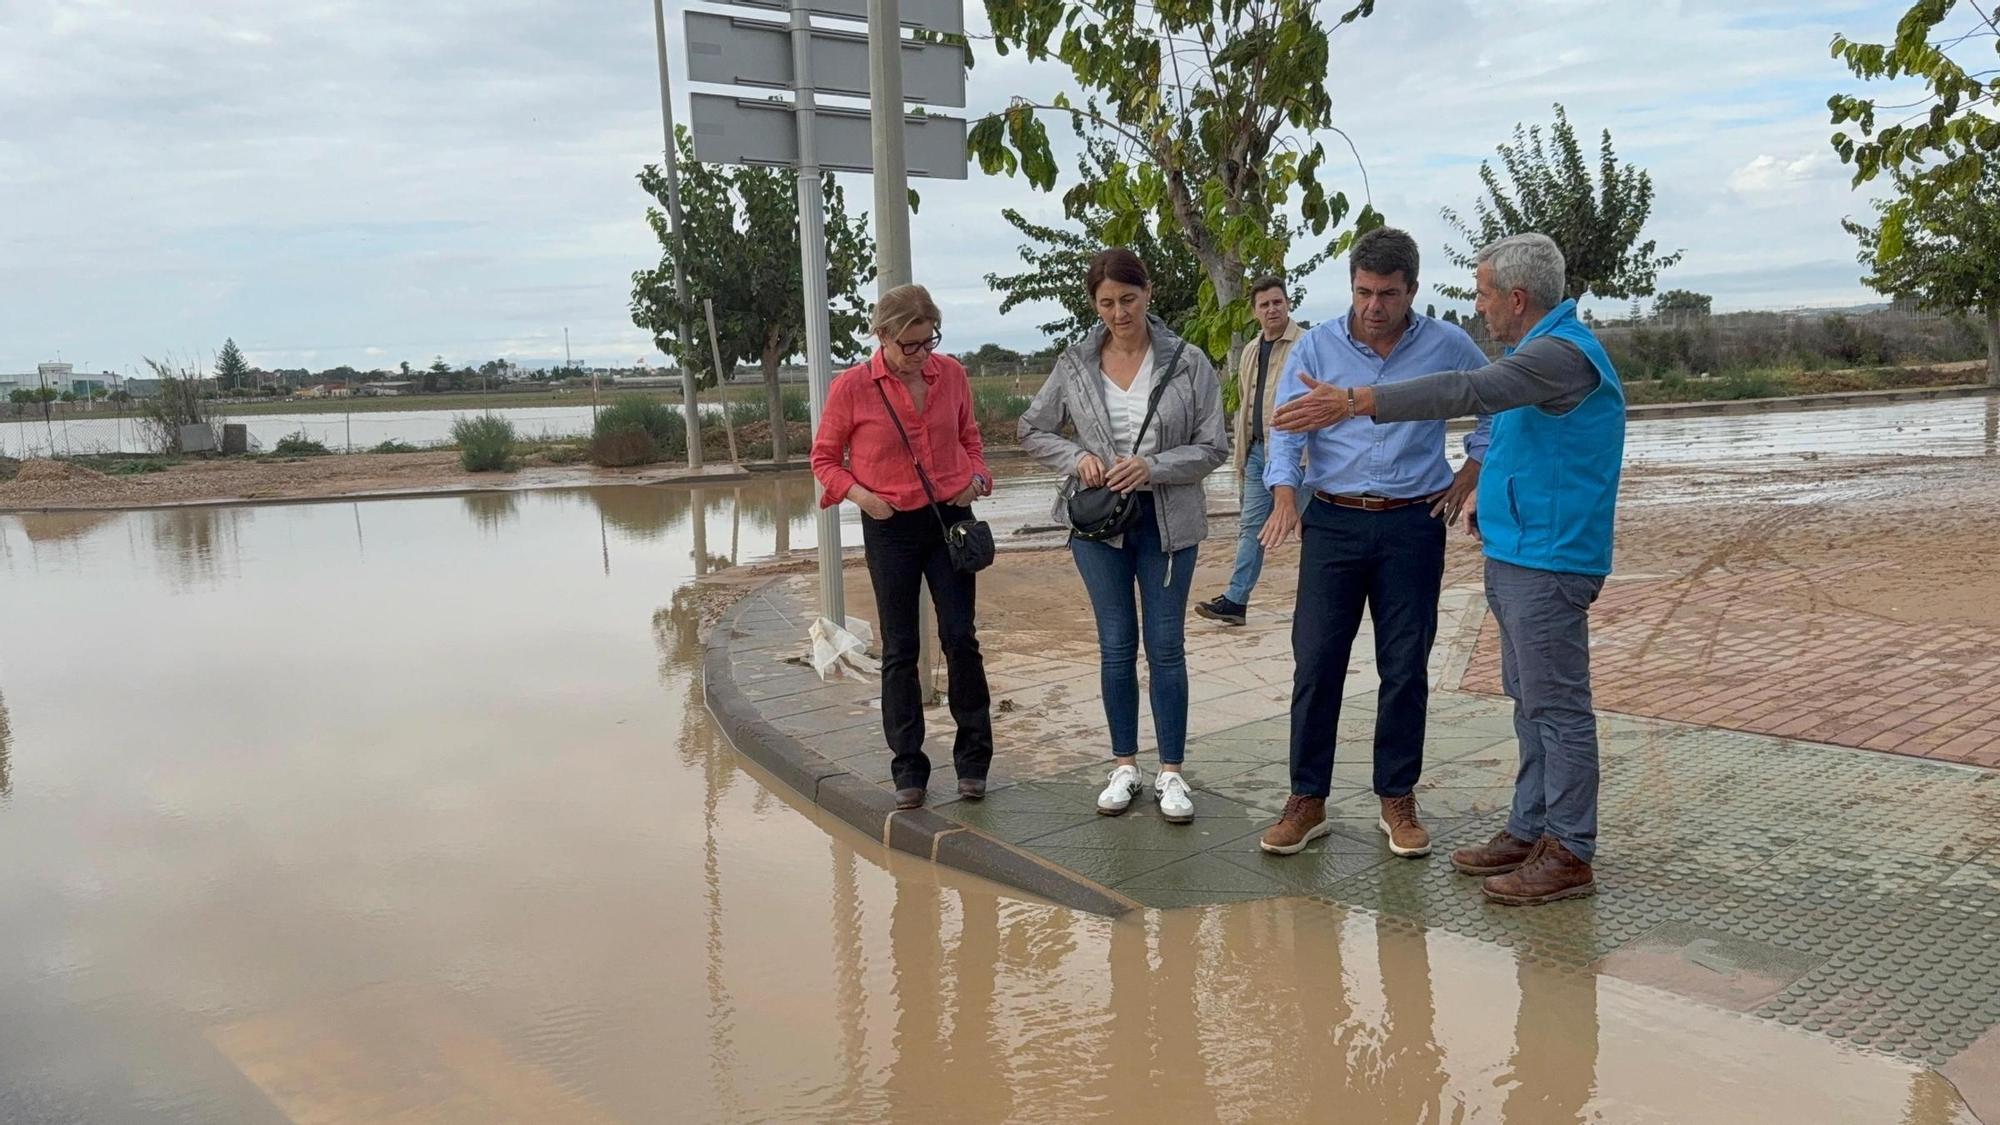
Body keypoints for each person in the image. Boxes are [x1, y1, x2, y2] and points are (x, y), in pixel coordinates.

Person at [1271, 232, 1625, 905]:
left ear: (1516, 298)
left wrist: (1357, 401)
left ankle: (1569, 849)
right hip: (1516, 550)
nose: (1477, 305)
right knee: (1531, 702)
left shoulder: (1559, 353)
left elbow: (1470, 390)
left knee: (1555, 707)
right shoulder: (1537, 349)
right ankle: (1530, 828)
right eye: (1363, 291)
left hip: (1548, 555)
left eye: (1483, 293)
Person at [1248, 227, 1491, 861]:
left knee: (1405, 666)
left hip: (1414, 523)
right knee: (1316, 661)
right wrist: (1283, 495)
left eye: (1387, 293)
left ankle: (1397, 797)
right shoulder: (1319, 347)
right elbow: (1286, 431)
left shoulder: (1449, 344)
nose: (1373, 306)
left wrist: (1473, 468)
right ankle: (1307, 799)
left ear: (1413, 289)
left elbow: (1499, 402)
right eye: (1363, 292)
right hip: (1333, 522)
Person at [1019, 248, 1230, 823]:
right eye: (1107, 302)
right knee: (1115, 644)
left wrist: (1152, 467)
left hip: (1169, 524)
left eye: (1128, 299)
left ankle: (1172, 772)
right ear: (1094, 304)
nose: (1119, 313)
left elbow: (1214, 446)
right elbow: (1033, 429)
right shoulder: (1073, 363)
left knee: (1165, 646)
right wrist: (1078, 458)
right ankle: (1124, 765)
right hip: (1097, 526)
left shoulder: (1189, 361)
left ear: (1148, 293)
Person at [809, 284, 995, 811]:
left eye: (928, 341)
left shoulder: (951, 374)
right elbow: (824, 459)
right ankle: (908, 769)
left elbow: (971, 440)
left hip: (950, 518)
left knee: (961, 638)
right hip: (889, 524)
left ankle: (973, 762)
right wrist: (864, 498)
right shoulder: (852, 387)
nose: (920, 354)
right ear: (882, 336)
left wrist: (977, 481)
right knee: (900, 647)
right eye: (909, 344)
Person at [1194, 276, 1303, 627]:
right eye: (1264, 304)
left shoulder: (1307, 345)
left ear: (1288, 303)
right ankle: (1236, 600)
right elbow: (1245, 406)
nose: (1272, 309)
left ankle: (1324, 603)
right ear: (1254, 311)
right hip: (1257, 453)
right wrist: (1240, 456)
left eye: (1277, 302)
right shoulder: (1251, 351)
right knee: (1252, 527)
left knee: (1314, 529)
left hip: (1300, 457)